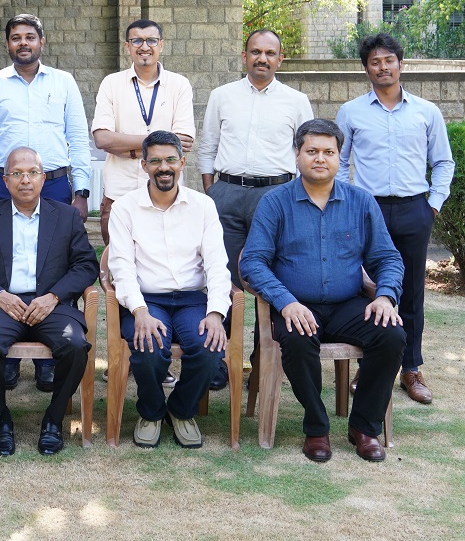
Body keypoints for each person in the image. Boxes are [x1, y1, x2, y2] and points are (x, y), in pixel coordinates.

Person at [240, 119, 406, 463]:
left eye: (329, 152)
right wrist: (285, 302)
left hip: (348, 305)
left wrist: (386, 296)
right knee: (298, 341)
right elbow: (253, 262)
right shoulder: (275, 202)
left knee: (391, 336)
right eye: (311, 151)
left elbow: (387, 256)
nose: (320, 158)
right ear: (297, 155)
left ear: (339, 157)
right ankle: (316, 427)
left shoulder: (361, 202)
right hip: (296, 306)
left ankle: (364, 426)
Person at [0, 12, 92, 393]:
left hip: (53, 183)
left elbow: (78, 136)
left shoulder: (64, 82)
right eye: (16, 38)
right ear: (7, 44)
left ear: (41, 42)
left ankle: (49, 361)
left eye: (30, 37)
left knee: (49, 264)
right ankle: (3, 353)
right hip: (1, 184)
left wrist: (82, 191)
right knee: (4, 262)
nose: (23, 43)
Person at [334, 32, 455, 407]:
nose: (382, 67)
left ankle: (411, 368)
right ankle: (367, 364)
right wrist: (345, 203)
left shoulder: (426, 111)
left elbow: (443, 161)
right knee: (366, 288)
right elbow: (339, 161)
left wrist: (432, 204)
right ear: (366, 69)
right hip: (366, 211)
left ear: (401, 64)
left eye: (389, 60)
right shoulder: (351, 112)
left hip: (413, 209)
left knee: (411, 292)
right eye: (374, 61)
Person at [0, 147, 98, 457]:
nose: (25, 180)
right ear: (5, 181)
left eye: (32, 173)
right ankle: (0, 419)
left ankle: (53, 419)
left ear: (44, 178)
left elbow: (87, 265)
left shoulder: (67, 216)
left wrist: (55, 296)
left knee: (74, 345)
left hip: (53, 305)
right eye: (16, 174)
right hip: (4, 305)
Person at [195, 28, 313, 386]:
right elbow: (207, 148)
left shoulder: (296, 101)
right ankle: (217, 359)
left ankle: (261, 360)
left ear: (280, 58)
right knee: (222, 277)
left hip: (275, 197)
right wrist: (213, 193)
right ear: (244, 56)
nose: (262, 58)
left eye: (270, 53)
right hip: (227, 192)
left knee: (271, 276)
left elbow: (304, 154)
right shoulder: (222, 96)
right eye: (255, 52)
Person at [106, 131, 233, 449]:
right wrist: (140, 312)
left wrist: (216, 312)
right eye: (156, 161)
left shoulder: (203, 206)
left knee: (209, 349)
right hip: (146, 299)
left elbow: (218, 264)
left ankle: (180, 410)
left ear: (183, 163)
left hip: (192, 299)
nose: (164, 167)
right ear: (144, 166)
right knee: (148, 349)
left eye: (171, 160)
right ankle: (150, 413)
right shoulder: (125, 208)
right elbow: (121, 267)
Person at [91, 19, 196, 245]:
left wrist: (126, 147)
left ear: (162, 45)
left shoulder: (180, 85)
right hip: (120, 190)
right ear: (127, 46)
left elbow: (183, 142)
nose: (144, 46)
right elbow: (102, 138)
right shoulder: (111, 83)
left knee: (164, 258)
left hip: (165, 190)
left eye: (151, 40)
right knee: (118, 261)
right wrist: (160, 143)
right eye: (137, 40)